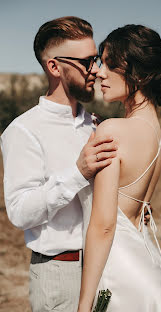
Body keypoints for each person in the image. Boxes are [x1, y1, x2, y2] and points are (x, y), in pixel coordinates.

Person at [0, 16, 119, 312]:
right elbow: (19, 212)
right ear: (54, 66)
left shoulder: (97, 125)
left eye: (96, 59)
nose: (95, 69)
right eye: (87, 61)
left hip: (109, 268)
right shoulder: (23, 130)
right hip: (60, 274)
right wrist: (77, 173)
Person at [77, 24, 161, 312]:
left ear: (137, 75)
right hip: (149, 268)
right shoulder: (157, 137)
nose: (99, 72)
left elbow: (104, 226)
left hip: (119, 278)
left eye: (110, 64)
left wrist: (83, 305)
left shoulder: (113, 130)